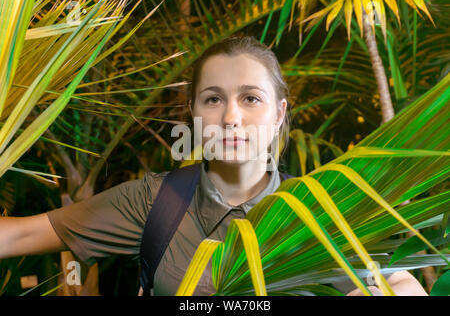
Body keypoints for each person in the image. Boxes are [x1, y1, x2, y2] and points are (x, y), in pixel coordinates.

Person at [0, 36, 427, 296]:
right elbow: (20, 233)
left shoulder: (319, 213)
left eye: (250, 98)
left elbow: (397, 280)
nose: (231, 118)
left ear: (279, 113)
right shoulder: (154, 203)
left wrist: (404, 289)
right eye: (213, 98)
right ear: (194, 113)